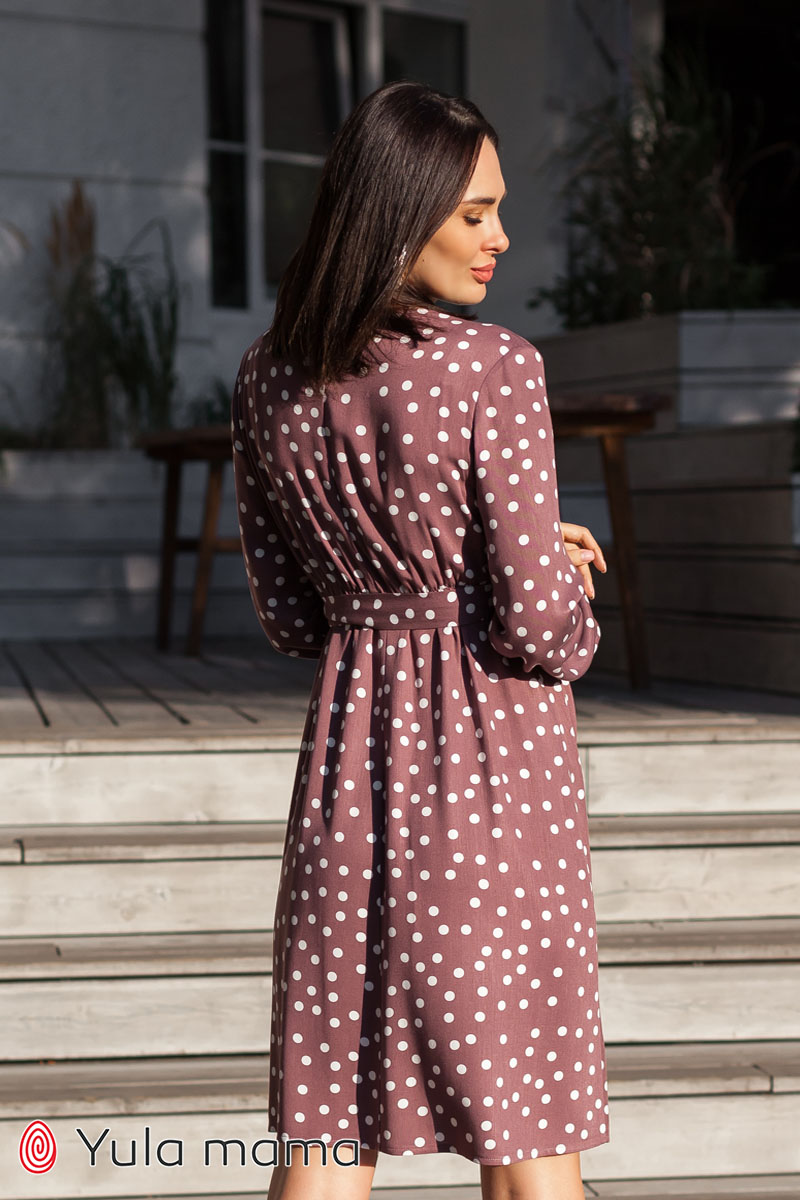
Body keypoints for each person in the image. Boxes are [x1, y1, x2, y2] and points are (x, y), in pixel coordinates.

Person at [231, 80, 610, 1200]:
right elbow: (537, 626)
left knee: (324, 1139)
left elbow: (290, 615)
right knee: (528, 1142)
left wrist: (397, 585)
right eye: (474, 213)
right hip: (492, 782)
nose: (500, 238)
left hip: (346, 776)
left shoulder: (268, 376)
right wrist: (557, 576)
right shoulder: (493, 368)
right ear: (399, 214)